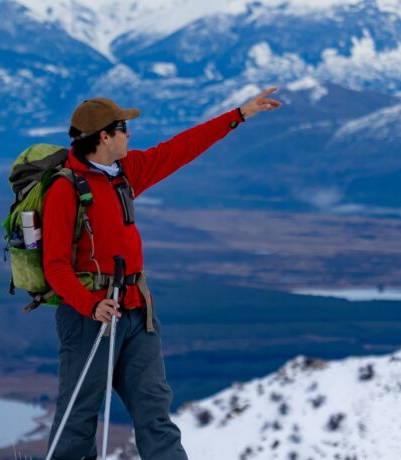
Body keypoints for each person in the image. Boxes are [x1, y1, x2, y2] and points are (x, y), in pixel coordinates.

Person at [43, 89, 282, 459]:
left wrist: (240, 114)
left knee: (154, 413)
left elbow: (182, 147)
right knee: (78, 419)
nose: (130, 134)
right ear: (103, 136)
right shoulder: (66, 188)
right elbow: (55, 265)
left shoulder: (126, 173)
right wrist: (91, 306)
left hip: (137, 310)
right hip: (90, 317)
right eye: (123, 128)